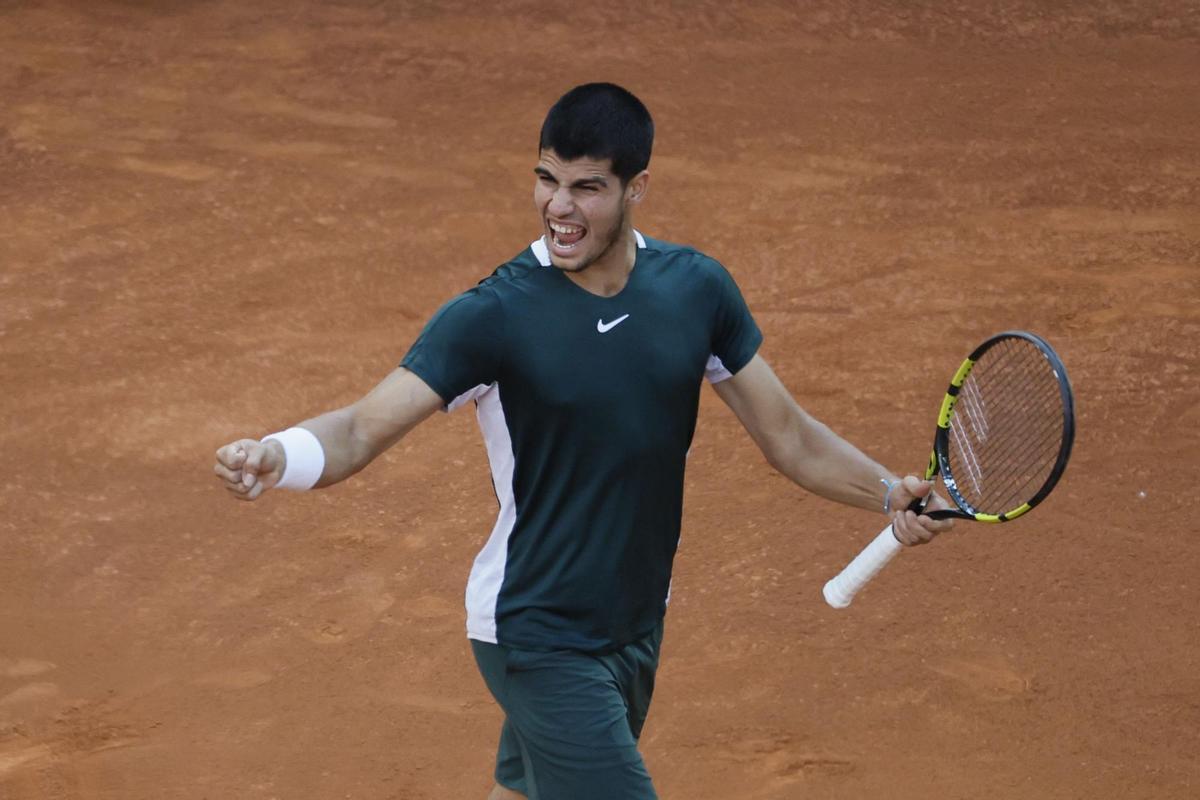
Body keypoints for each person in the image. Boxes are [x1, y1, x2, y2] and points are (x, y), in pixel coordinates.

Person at [213, 82, 952, 800]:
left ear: (638, 189)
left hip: (634, 622)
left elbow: (789, 436)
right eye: (546, 180)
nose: (557, 208)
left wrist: (888, 491)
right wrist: (277, 455)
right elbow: (359, 428)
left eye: (587, 188)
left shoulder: (696, 291)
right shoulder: (495, 315)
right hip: (535, 630)